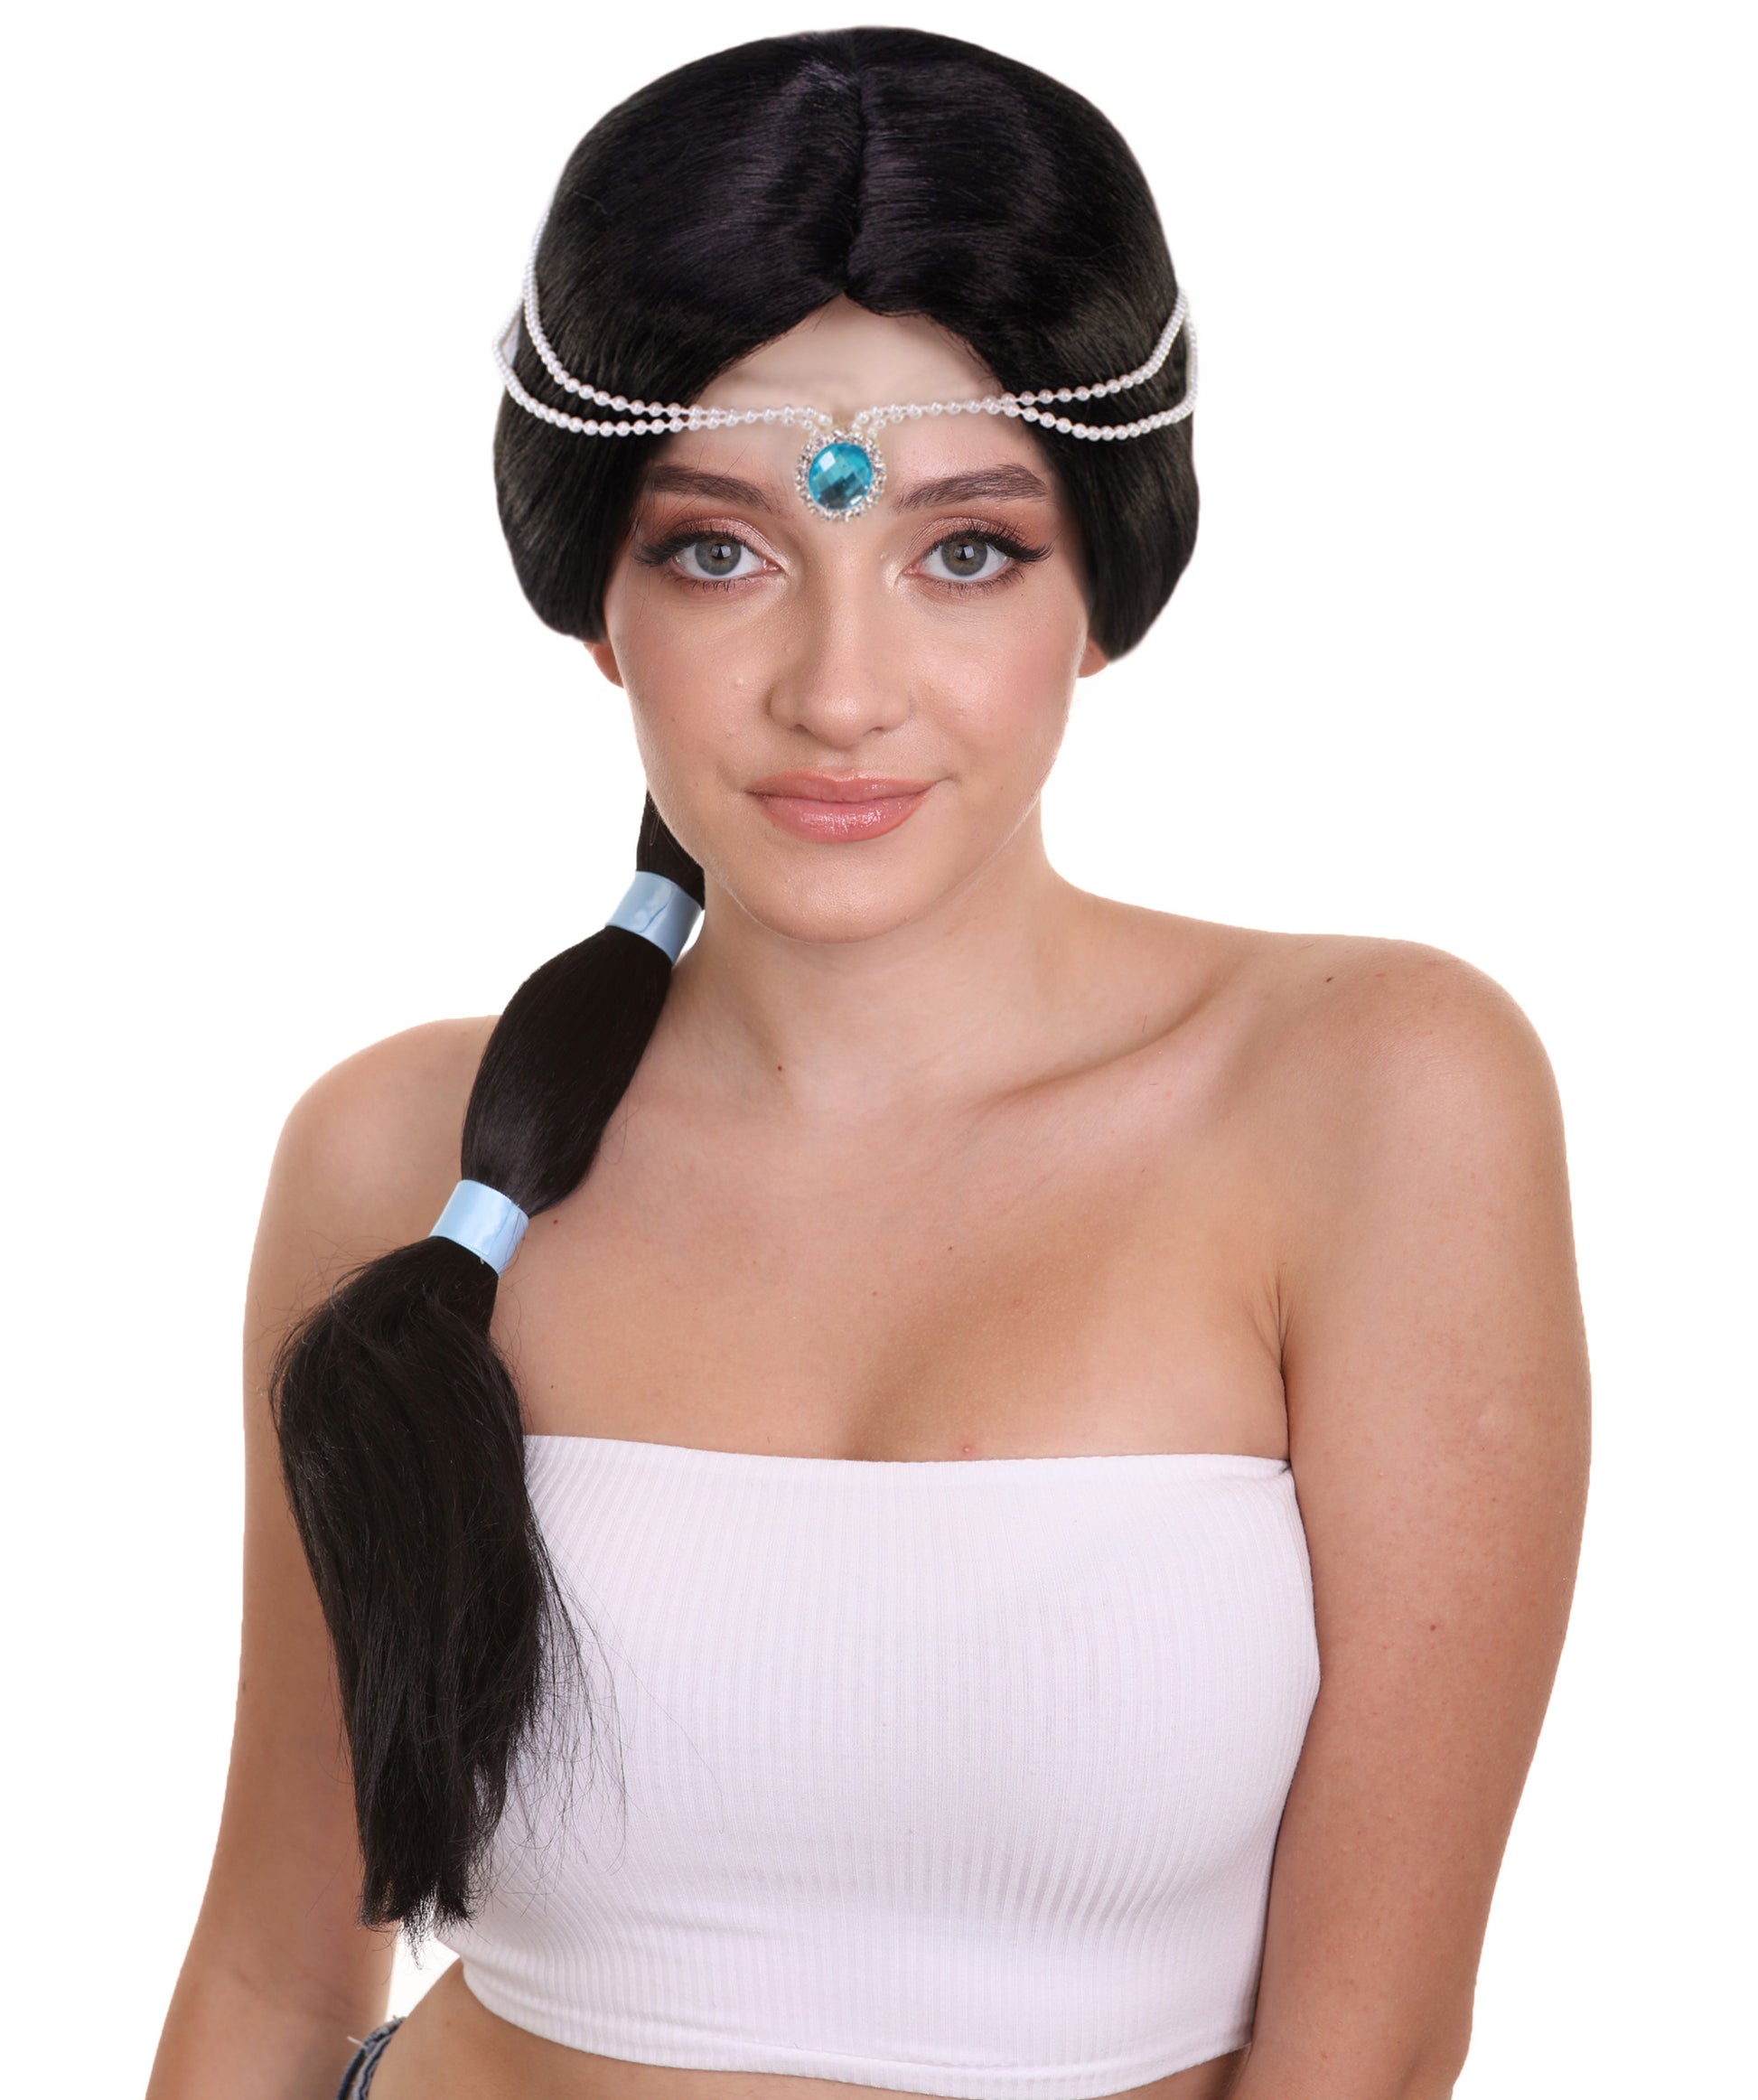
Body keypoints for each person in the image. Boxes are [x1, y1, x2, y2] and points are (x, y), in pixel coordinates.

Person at [146, 27, 1591, 2100]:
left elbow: (1361, 2048)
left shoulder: (1372, 1100)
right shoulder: (401, 1157)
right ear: (595, 603)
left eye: (963, 550)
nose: (838, 691)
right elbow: (273, 1981)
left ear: (1105, 589)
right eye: (717, 549)